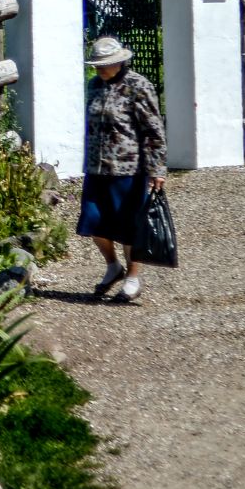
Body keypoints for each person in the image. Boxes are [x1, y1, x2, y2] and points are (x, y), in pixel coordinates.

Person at [78, 35, 166, 303]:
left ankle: (133, 277)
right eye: (96, 65)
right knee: (93, 222)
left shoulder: (138, 86)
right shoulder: (94, 85)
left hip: (128, 167)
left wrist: (157, 168)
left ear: (120, 62)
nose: (99, 69)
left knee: (129, 226)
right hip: (97, 167)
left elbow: (153, 129)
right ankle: (113, 266)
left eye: (104, 64)